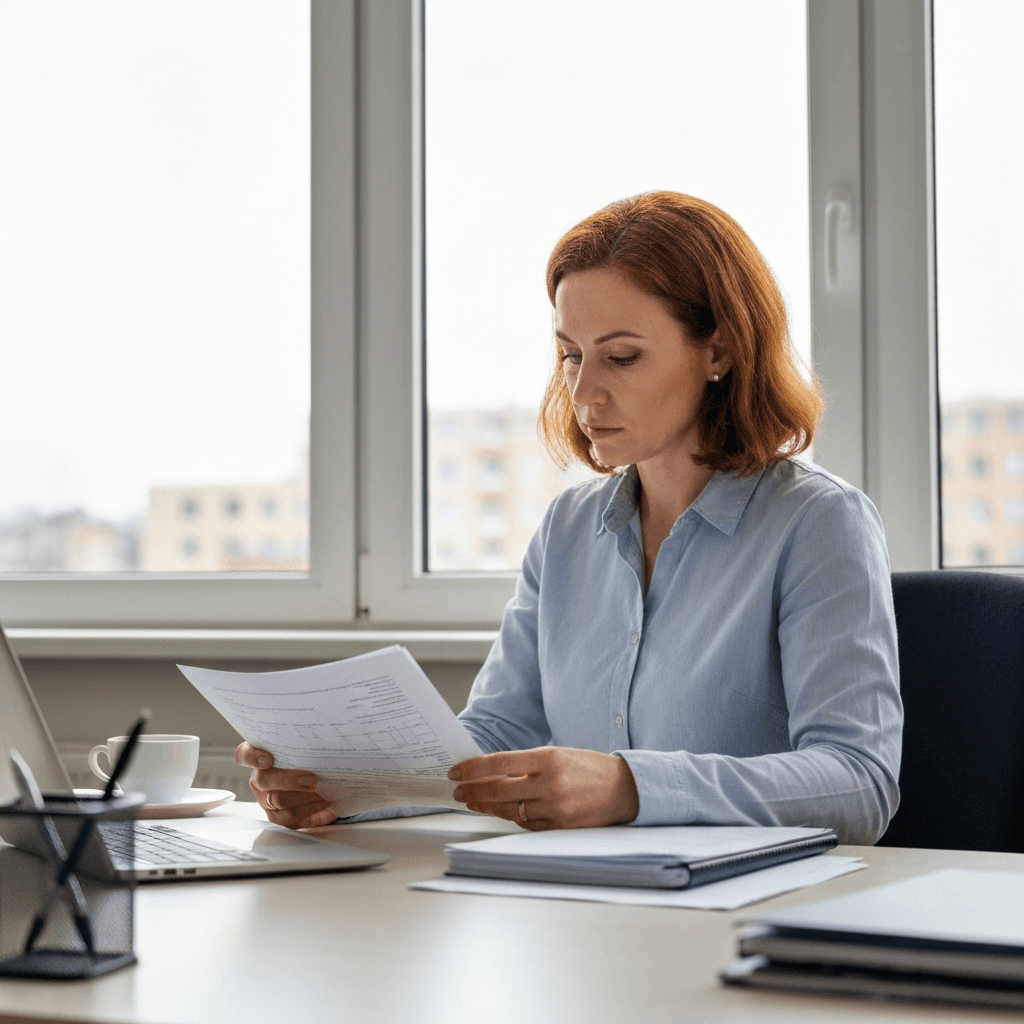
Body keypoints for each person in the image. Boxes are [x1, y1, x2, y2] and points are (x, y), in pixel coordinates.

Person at [237, 191, 903, 845]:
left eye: (621, 356)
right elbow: (496, 740)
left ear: (720, 353)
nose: (583, 393)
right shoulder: (567, 530)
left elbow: (859, 782)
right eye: (571, 356)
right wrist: (343, 788)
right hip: (583, 907)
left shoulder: (819, 524)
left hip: (749, 913)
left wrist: (628, 788)